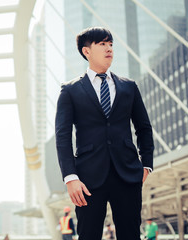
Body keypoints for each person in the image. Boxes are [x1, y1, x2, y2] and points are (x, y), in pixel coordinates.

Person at [55, 26, 154, 240]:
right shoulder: (70, 90)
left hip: (127, 174)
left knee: (131, 236)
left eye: (110, 44)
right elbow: (62, 137)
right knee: (88, 235)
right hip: (87, 179)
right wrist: (70, 177)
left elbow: (143, 128)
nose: (109, 48)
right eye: (102, 44)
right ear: (86, 51)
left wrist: (146, 164)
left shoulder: (129, 87)